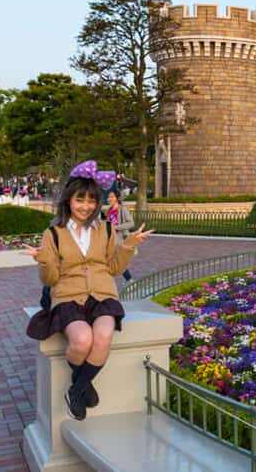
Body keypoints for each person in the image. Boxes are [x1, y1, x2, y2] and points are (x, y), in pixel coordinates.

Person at [21, 161, 153, 421]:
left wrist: (128, 246)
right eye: (80, 199)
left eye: (92, 200)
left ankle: (75, 389)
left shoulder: (105, 228)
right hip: (68, 296)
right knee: (82, 341)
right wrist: (43, 260)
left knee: (102, 336)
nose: (86, 206)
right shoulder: (54, 233)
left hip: (103, 294)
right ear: (69, 200)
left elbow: (113, 268)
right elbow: (51, 278)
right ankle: (84, 385)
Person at [105, 190, 137, 282]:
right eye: (108, 197)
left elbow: (131, 223)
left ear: (117, 198)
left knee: (118, 261)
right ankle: (129, 281)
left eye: (111, 196)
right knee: (111, 260)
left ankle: (130, 281)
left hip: (119, 240)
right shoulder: (109, 210)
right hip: (110, 239)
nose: (109, 199)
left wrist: (116, 227)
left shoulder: (122, 209)